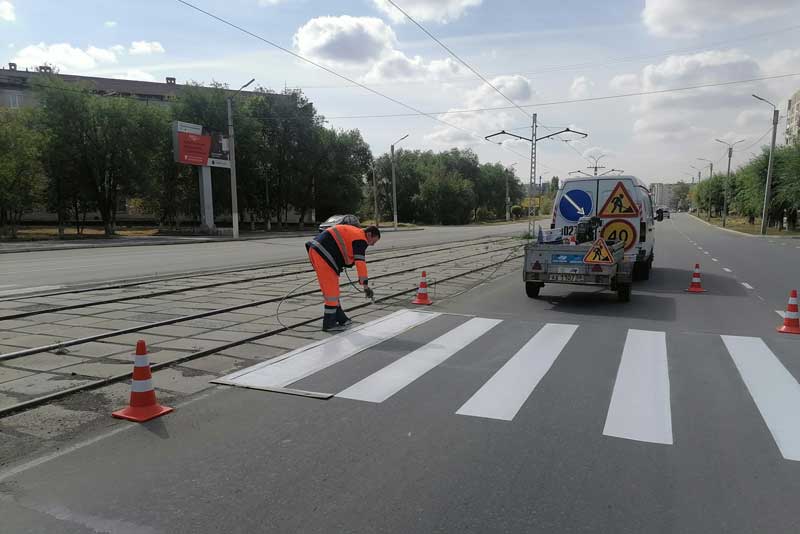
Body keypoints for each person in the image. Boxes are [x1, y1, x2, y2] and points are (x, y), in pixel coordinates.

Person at [306, 224, 381, 332]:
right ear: (369, 234)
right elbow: (360, 262)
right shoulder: (361, 239)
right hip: (324, 254)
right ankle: (329, 324)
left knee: (331, 290)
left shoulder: (355, 233)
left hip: (318, 251)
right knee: (331, 293)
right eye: (373, 241)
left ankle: (341, 318)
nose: (372, 244)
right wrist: (365, 285)